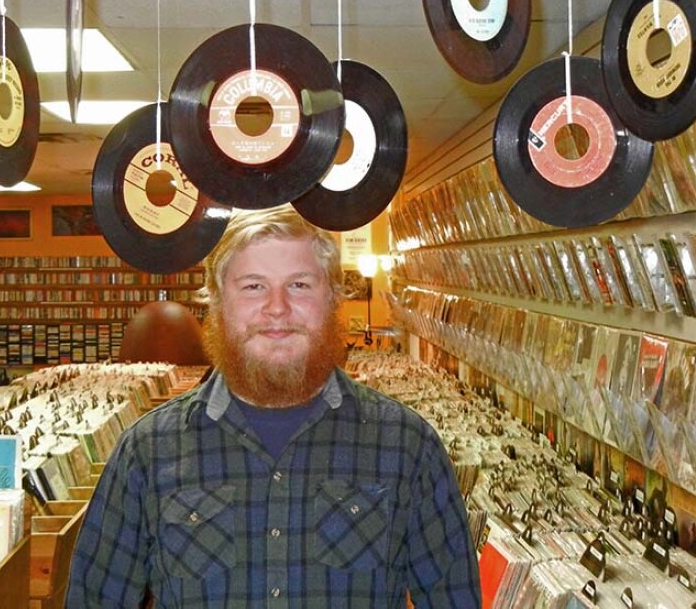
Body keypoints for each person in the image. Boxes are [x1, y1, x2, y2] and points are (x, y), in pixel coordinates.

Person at [66, 205, 481, 608]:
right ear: (216, 301)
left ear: (334, 298)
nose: (277, 308)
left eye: (299, 285)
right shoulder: (146, 451)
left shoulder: (407, 445)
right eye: (253, 286)